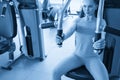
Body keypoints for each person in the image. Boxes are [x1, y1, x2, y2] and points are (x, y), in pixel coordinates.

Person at [53, 0, 109, 80]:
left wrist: (100, 44)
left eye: (90, 6)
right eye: (84, 6)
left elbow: (102, 38)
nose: (86, 9)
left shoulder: (101, 22)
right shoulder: (77, 21)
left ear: (96, 6)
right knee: (55, 72)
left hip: (92, 58)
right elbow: (69, 32)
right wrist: (61, 38)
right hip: (77, 56)